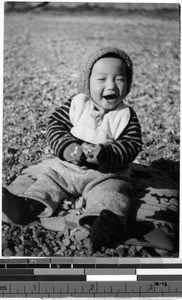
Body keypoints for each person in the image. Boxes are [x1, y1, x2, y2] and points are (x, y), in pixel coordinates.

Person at [2, 47, 143, 251]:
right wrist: (67, 147)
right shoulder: (76, 105)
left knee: (113, 193)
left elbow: (131, 145)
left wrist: (105, 154)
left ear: (128, 84)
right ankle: (28, 205)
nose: (111, 85)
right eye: (102, 79)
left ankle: (105, 224)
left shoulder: (125, 116)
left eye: (120, 79)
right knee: (50, 179)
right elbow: (55, 126)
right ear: (87, 83)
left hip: (106, 175)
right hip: (68, 169)